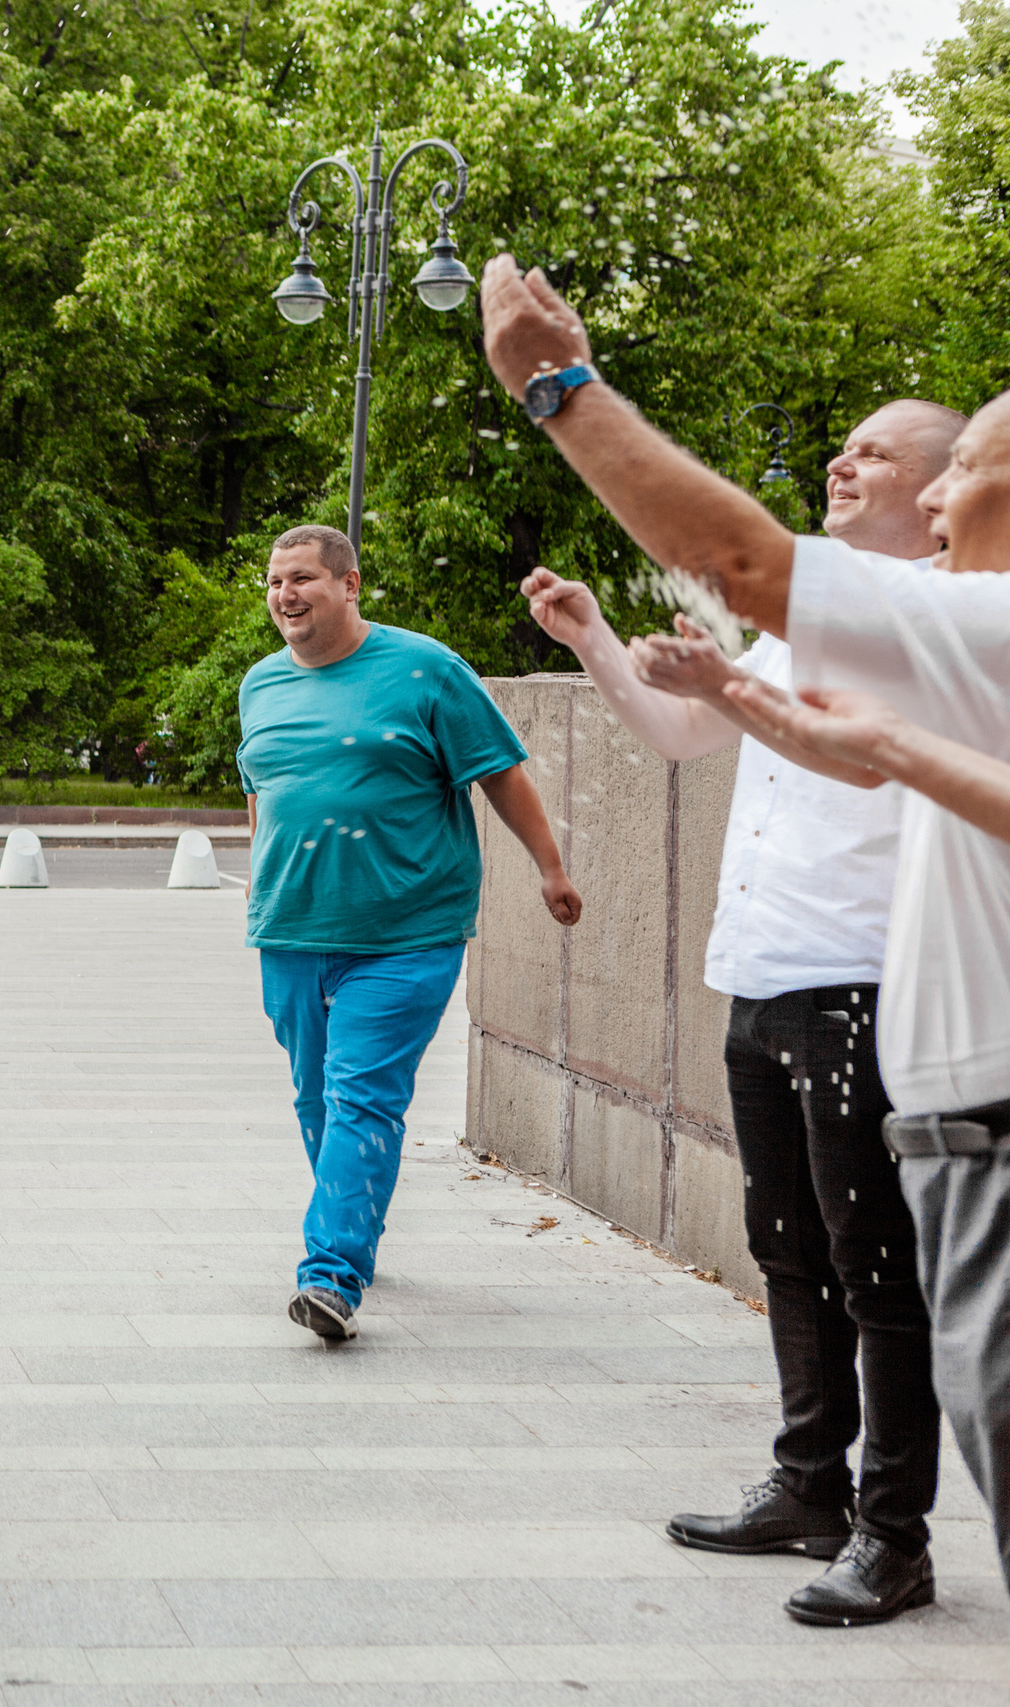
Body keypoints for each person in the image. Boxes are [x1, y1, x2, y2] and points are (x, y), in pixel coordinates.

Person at [477, 251, 1010, 1607]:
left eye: (886, 455)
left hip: (872, 986)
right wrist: (599, 637)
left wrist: (560, 384)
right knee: (791, 1239)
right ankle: (809, 1479)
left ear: (949, 482)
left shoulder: (945, 622)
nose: (852, 464)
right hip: (763, 970)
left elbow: (767, 603)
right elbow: (682, 732)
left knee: (877, 1260)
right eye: (845, 447)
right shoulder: (797, 634)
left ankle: (893, 1528)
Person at [238, 523, 581, 1347]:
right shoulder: (259, 685)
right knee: (317, 1096)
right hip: (291, 929)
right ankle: (350, 1220)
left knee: (362, 1094)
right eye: (277, 581)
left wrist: (550, 867)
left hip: (405, 933)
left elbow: (499, 769)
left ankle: (331, 1274)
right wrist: (258, 885)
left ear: (350, 585)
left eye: (304, 579)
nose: (287, 594)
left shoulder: (426, 669)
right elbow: (263, 791)